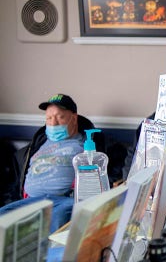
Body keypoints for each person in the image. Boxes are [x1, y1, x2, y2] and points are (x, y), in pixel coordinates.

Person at [0, 94, 95, 233]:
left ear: (74, 118)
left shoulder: (84, 144)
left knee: (60, 216)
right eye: (49, 118)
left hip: (62, 201)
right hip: (30, 201)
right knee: (3, 214)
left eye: (59, 117)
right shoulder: (37, 145)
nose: (53, 123)